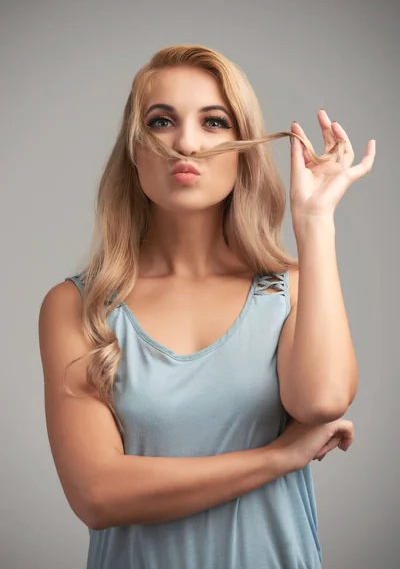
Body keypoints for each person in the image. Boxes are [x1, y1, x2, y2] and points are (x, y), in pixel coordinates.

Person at [38, 44, 375, 569]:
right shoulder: (78, 306)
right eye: (161, 121)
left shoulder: (290, 289)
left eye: (214, 122)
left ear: (244, 149)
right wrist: (278, 457)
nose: (186, 143)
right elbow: (97, 494)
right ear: (134, 149)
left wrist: (315, 223)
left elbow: (322, 402)